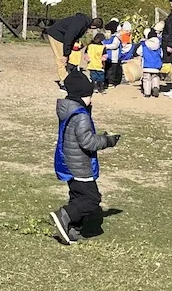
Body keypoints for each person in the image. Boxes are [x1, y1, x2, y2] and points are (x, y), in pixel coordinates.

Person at [49, 71, 120, 246]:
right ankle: (65, 215)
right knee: (92, 199)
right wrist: (107, 140)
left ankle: (73, 229)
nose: (91, 99)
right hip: (79, 164)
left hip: (68, 162)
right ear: (81, 95)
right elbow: (88, 142)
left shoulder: (69, 110)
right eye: (89, 95)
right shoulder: (80, 115)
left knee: (77, 196)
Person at [45, 13, 101, 86]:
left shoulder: (84, 22)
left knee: (67, 59)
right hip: (56, 35)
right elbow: (69, 37)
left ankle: (68, 78)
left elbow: (73, 37)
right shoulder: (80, 23)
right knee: (61, 59)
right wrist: (65, 54)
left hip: (63, 36)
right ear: (93, 26)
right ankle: (64, 83)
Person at [138, 28, 163, 97]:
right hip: (156, 66)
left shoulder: (144, 45)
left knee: (146, 79)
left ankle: (147, 93)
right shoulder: (159, 45)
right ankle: (155, 87)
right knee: (155, 77)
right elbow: (162, 54)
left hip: (147, 66)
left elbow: (138, 52)